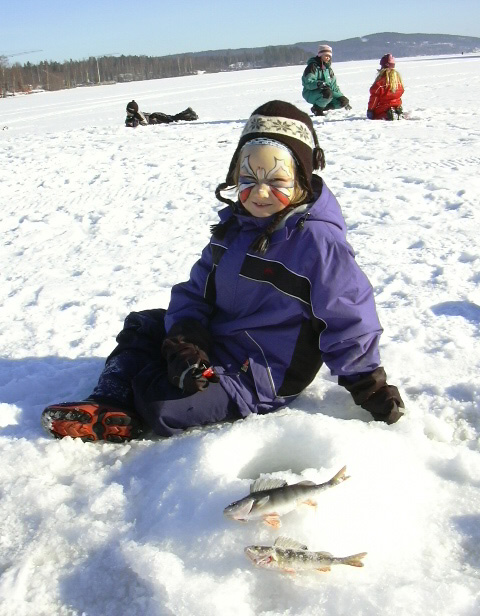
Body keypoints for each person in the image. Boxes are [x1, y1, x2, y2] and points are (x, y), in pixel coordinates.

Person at [41, 100, 405, 443]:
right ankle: (108, 400)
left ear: (302, 179)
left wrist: (368, 384)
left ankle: (132, 402)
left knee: (160, 403)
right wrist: (186, 343)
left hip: (260, 372)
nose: (260, 193)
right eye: (248, 178)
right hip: (217, 344)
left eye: (277, 181)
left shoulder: (317, 243)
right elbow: (195, 292)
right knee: (145, 324)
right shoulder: (235, 227)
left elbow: (348, 316)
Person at [301, 45, 351, 116]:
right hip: (310, 93)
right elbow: (308, 83)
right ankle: (318, 110)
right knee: (327, 93)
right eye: (326, 55)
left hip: (327, 92)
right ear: (320, 55)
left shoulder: (329, 70)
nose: (328, 58)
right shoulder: (312, 67)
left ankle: (318, 108)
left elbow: (334, 87)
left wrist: (344, 100)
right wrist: (318, 84)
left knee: (343, 101)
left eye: (329, 56)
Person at [367, 54, 404, 120]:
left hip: (384, 107)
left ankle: (388, 115)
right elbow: (401, 91)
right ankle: (396, 112)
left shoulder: (380, 82)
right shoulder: (398, 80)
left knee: (376, 115)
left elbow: (374, 98)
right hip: (397, 105)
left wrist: (370, 110)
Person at [125, 100, 198, 128]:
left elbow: (144, 123)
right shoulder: (135, 115)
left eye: (127, 111)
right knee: (173, 118)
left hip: (157, 118)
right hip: (155, 117)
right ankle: (188, 112)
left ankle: (190, 115)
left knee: (173, 119)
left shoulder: (137, 116)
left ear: (131, 111)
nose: (126, 112)